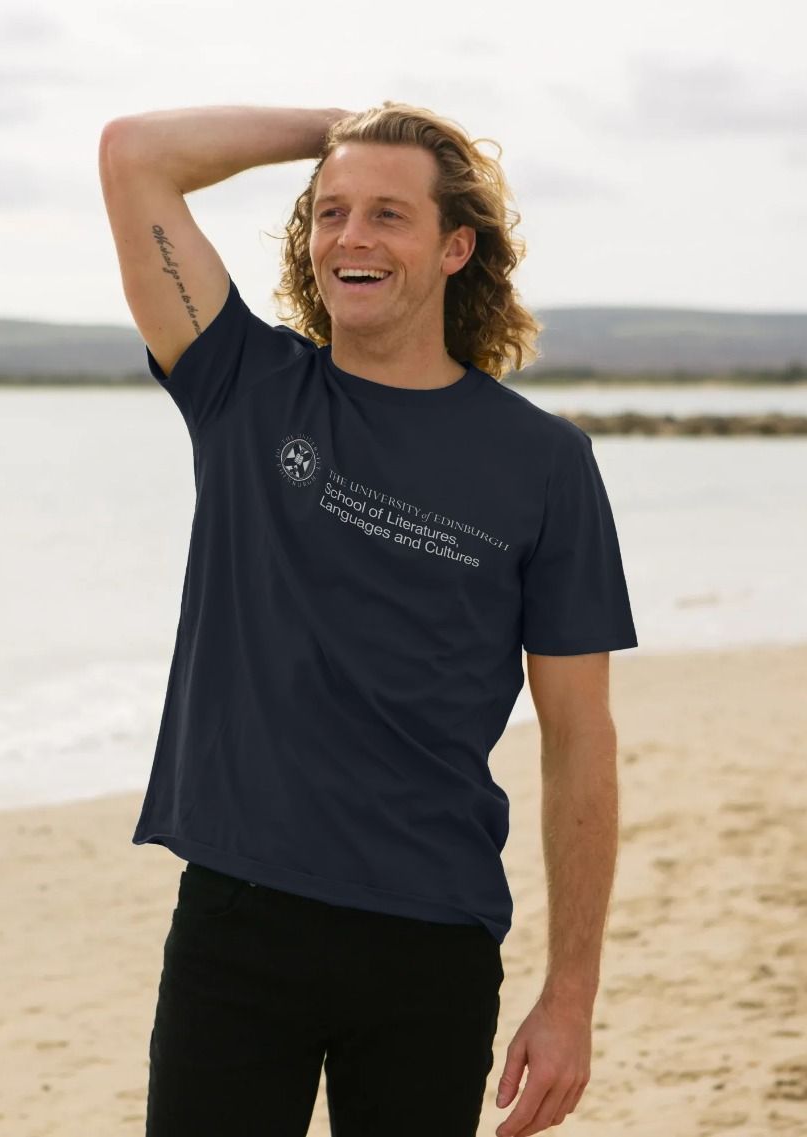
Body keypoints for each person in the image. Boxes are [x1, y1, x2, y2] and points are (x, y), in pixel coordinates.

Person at [98, 101, 637, 1137]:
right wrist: (337, 126)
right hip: (238, 921)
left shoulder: (545, 465)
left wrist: (570, 998)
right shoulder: (244, 388)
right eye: (330, 212)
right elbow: (134, 154)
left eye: (390, 214)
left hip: (430, 939)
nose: (351, 236)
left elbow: (579, 736)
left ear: (454, 248)